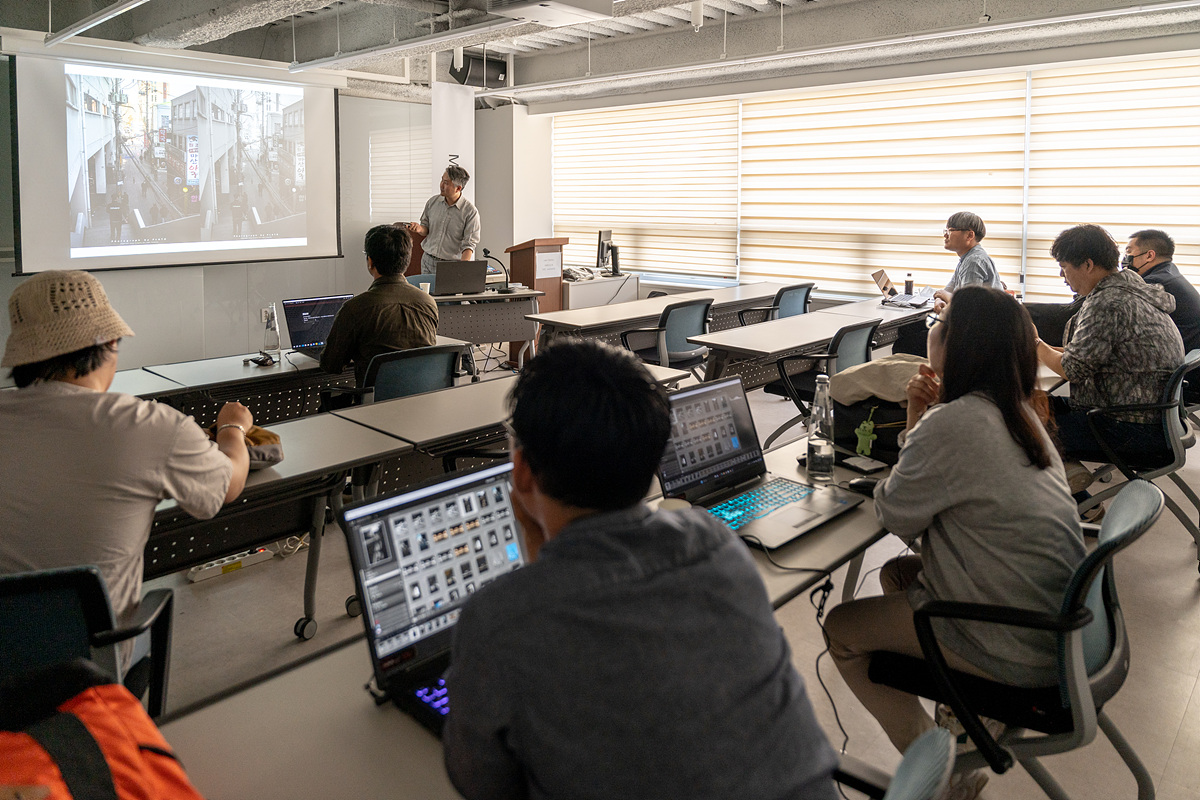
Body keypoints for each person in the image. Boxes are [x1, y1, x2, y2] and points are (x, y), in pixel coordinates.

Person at [443, 339, 839, 800]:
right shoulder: (716, 542)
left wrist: (536, 545)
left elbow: (482, 784)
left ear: (522, 471)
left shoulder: (498, 618)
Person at [824, 286, 1085, 800]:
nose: (932, 328)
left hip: (1013, 639)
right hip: (1052, 618)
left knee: (841, 629)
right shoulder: (1018, 407)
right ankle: (956, 719)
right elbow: (930, 489)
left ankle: (944, 772)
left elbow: (895, 513)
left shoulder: (958, 420)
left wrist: (925, 422)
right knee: (900, 575)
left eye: (941, 324)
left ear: (962, 344)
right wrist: (920, 416)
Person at [0, 270, 252, 664]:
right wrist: (232, 429)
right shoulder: (151, 427)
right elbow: (226, 486)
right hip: (91, 673)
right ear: (111, 341)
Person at [1035, 224, 1183, 472]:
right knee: (1028, 403)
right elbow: (1087, 351)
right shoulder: (1129, 288)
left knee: (1018, 428)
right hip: (1147, 416)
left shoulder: (1109, 302)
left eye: (1064, 267)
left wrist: (1034, 343)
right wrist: (1043, 348)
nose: (1062, 276)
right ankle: (1073, 487)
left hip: (1130, 427)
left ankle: (1079, 499)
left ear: (1088, 265)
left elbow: (1071, 369)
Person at [320, 224, 439, 387]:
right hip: (422, 402)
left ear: (370, 261)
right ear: (407, 259)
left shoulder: (355, 308)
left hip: (373, 408)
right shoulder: (428, 302)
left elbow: (331, 365)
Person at [894, 211, 1002, 356]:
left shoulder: (974, 261)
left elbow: (966, 306)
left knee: (904, 344)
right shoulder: (967, 259)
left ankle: (932, 376)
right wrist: (939, 297)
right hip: (967, 326)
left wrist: (944, 295)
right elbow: (946, 290)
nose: (945, 235)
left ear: (969, 235)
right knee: (907, 328)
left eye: (950, 231)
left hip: (974, 334)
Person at [1124, 229, 1200, 355]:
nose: (1125, 257)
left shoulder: (1154, 284)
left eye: (1128, 251)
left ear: (1149, 256)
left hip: (1179, 361)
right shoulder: (1169, 272)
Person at [402, 165, 481, 277]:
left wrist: (463, 271)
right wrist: (419, 228)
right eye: (442, 180)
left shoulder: (470, 212)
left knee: (446, 294)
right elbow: (426, 229)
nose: (441, 185)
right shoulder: (432, 202)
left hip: (450, 266)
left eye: (446, 183)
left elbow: (469, 245)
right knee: (427, 294)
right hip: (427, 260)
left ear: (458, 188)